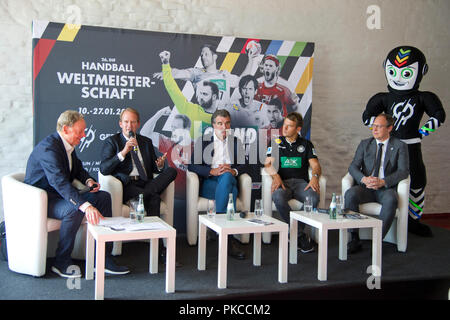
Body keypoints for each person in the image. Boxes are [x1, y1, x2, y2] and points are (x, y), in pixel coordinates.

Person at [24, 110, 129, 278]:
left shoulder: (68, 146)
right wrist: (86, 206)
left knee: (103, 197)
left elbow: (78, 169)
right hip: (44, 200)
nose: (84, 135)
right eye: (80, 131)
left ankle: (102, 258)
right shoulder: (49, 149)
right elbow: (59, 182)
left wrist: (88, 181)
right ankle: (61, 262)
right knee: (73, 209)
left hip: (61, 195)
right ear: (66, 129)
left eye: (84, 131)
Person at [362, 46, 445, 237]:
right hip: (388, 146)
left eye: (406, 73)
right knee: (387, 178)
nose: (398, 77)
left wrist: (423, 131)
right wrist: (378, 130)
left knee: (417, 180)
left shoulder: (423, 97)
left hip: (411, 144)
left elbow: (439, 114)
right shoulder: (383, 98)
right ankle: (388, 216)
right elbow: (367, 115)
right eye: (393, 71)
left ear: (421, 71)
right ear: (386, 68)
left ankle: (413, 220)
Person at [100, 108, 178, 262]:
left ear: (138, 124)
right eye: (126, 122)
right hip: (128, 185)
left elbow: (154, 169)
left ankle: (156, 246)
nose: (129, 125)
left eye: (133, 122)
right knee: (154, 198)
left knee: (171, 172)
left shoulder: (145, 142)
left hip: (146, 182)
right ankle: (160, 250)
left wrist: (160, 165)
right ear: (120, 124)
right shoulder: (112, 141)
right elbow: (104, 168)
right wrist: (123, 152)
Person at [188, 109, 249, 260]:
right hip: (210, 182)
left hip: (229, 178)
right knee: (232, 192)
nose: (224, 127)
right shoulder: (203, 141)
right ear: (213, 125)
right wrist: (212, 171)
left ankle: (220, 232)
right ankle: (228, 238)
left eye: (227, 123)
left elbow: (244, 165)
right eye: (220, 123)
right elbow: (192, 166)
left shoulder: (236, 142)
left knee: (227, 177)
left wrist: (233, 170)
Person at [345, 114, 409, 253]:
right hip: (366, 187)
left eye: (379, 126)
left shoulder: (400, 146)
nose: (374, 130)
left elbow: (403, 171)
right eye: (373, 126)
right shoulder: (365, 144)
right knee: (350, 194)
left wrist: (383, 182)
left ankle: (377, 238)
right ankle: (354, 237)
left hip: (385, 189)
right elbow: (353, 167)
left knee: (391, 199)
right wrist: (364, 179)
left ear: (389, 128)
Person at [264, 112, 321, 253]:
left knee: (313, 198)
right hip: (284, 183)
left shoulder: (306, 144)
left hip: (301, 183)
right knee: (278, 196)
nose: (285, 129)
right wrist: (276, 176)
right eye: (284, 125)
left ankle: (294, 232)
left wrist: (314, 176)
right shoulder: (276, 142)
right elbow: (267, 164)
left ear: (298, 129)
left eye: (289, 126)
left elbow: (315, 165)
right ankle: (300, 235)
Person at [159, 50, 218, 139]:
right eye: (200, 93)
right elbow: (172, 88)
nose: (201, 97)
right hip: (188, 152)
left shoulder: (222, 119)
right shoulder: (189, 109)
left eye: (205, 94)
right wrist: (166, 64)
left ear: (214, 97)